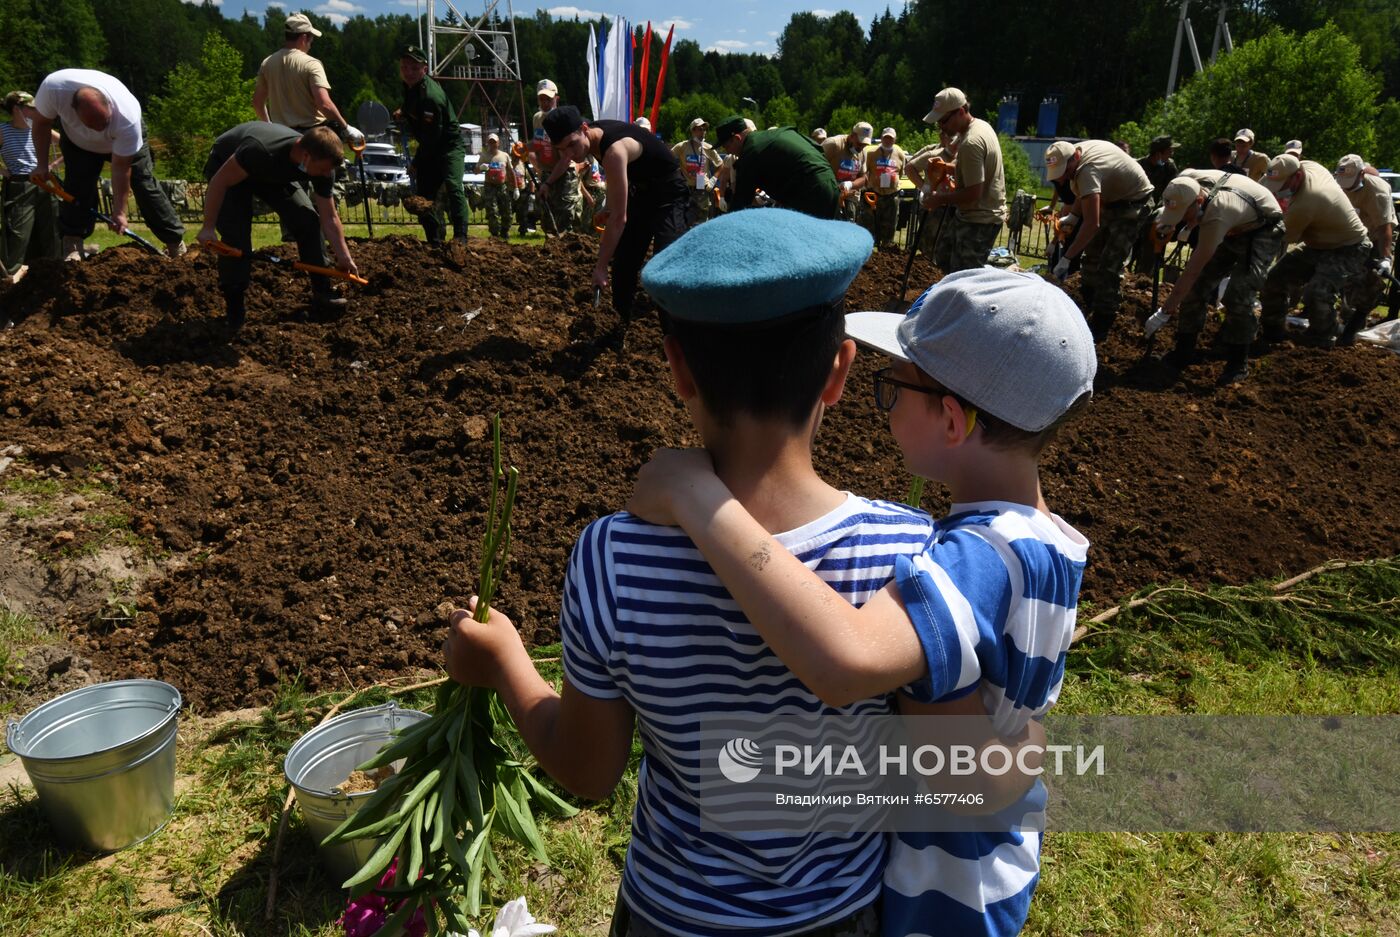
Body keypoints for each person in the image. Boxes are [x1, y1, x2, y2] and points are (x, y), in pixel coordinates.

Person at [443, 208, 938, 936]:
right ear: (838, 370)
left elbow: (588, 769)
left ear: (678, 369)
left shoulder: (612, 555)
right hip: (839, 913)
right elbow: (930, 771)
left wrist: (506, 661)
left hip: (670, 913)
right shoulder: (909, 549)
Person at [625, 267, 1095, 937]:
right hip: (999, 862)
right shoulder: (1048, 541)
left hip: (941, 895)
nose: (881, 405)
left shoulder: (975, 562)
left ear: (953, 420)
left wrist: (701, 501)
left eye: (892, 387)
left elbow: (843, 660)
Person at [196, 122, 358, 331]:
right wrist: (208, 226)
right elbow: (219, 182)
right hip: (229, 168)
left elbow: (329, 216)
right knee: (236, 237)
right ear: (306, 156)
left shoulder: (324, 167)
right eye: (323, 169)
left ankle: (322, 290)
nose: (327, 175)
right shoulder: (260, 151)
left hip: (271, 175)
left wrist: (343, 256)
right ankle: (234, 307)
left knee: (307, 220)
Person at [539, 106, 690, 326]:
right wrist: (607, 206)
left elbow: (619, 219)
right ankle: (619, 327)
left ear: (584, 128)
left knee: (665, 267)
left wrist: (600, 267)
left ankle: (677, 337)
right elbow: (617, 183)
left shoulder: (613, 151)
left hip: (670, 196)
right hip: (641, 194)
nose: (569, 154)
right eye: (561, 149)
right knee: (623, 265)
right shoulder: (589, 139)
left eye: (571, 144)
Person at [29, 68, 185, 260]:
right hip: (77, 143)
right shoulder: (53, 89)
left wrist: (119, 212)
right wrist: (42, 165)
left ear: (109, 105)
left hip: (121, 143)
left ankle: (175, 243)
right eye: (92, 125)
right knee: (77, 185)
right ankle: (72, 244)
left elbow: (121, 167)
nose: (99, 131)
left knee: (143, 184)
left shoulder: (127, 119)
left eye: (104, 122)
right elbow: (41, 124)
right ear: (73, 111)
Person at [1147, 169, 1284, 384]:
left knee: (1238, 296)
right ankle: (1183, 352)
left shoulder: (1217, 214)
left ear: (1199, 200)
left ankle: (1238, 363)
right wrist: (1164, 224)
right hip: (1235, 220)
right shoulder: (1185, 182)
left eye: (1185, 214)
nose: (1181, 219)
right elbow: (1169, 209)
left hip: (1262, 227)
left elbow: (1193, 270)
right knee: (1195, 290)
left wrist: (1165, 311)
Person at [1257, 153, 1371, 348]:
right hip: (1318, 243)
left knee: (1319, 291)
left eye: (1283, 186)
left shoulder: (1308, 200)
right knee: (1275, 278)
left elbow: (1285, 236)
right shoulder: (1308, 165)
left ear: (1297, 176)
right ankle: (1272, 329)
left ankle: (1324, 336)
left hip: (1349, 246)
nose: (1279, 191)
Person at [1044, 139, 1153, 341]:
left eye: (1064, 173)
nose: (1062, 180)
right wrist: (1074, 215)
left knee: (1109, 264)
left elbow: (1092, 224)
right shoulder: (1074, 157)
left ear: (1075, 157)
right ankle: (1087, 304)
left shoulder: (1087, 169)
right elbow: (1083, 190)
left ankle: (1103, 321)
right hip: (1109, 200)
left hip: (1133, 203)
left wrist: (1066, 258)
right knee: (1091, 257)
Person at [921, 87, 1007, 273]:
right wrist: (947, 167)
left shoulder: (971, 143)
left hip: (979, 220)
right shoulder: (981, 126)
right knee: (943, 259)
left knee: (963, 276)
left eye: (943, 120)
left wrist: (939, 199)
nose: (941, 127)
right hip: (972, 216)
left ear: (960, 112)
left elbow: (973, 193)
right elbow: (975, 170)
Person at [396, 46, 468, 245]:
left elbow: (432, 138)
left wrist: (416, 163)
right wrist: (403, 112)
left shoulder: (431, 97)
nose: (408, 72)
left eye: (414, 68)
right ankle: (434, 240)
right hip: (429, 145)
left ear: (424, 69)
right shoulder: (411, 86)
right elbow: (412, 104)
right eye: (405, 67)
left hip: (447, 146)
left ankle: (461, 237)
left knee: (453, 186)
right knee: (424, 195)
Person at [253, 13, 357, 140]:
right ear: (303, 38)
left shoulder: (267, 63)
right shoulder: (311, 64)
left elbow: (258, 103)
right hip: (311, 137)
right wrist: (346, 128)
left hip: (280, 137)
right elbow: (324, 104)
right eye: (310, 41)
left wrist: (270, 126)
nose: (310, 45)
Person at [714, 115, 839, 219]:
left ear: (736, 138)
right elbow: (818, 149)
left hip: (811, 193)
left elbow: (741, 202)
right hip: (830, 185)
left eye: (726, 147)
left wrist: (724, 226)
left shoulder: (751, 151)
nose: (728, 152)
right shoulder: (776, 134)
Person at [1333, 154, 1395, 342]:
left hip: (1376, 238)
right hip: (1353, 236)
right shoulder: (1338, 186)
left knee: (1369, 285)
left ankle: (1352, 331)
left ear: (1361, 174)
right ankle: (1345, 318)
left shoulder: (1377, 191)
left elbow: (1384, 228)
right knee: (1347, 282)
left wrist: (1385, 258)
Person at [1, 90, 60, 284]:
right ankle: (11, 277)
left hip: (45, 182)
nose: (35, 113)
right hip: (20, 184)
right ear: (17, 109)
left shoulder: (39, 126)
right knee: (18, 232)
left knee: (52, 227)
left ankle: (54, 270)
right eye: (31, 109)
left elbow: (66, 144)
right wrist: (3, 171)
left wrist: (53, 164)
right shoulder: (3, 130)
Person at [530, 79, 577, 233]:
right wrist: (524, 148)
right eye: (541, 99)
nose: (545, 103)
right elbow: (538, 143)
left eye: (548, 99)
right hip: (546, 172)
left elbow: (566, 158)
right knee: (547, 219)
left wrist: (548, 183)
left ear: (556, 98)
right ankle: (551, 252)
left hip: (564, 174)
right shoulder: (537, 118)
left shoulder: (562, 119)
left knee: (564, 217)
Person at [671, 118, 721, 224]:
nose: (703, 132)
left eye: (704, 129)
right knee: (685, 219)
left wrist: (713, 180)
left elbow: (721, 165)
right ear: (693, 131)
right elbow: (668, 158)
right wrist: (677, 175)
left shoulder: (709, 148)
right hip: (686, 189)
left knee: (702, 221)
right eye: (700, 129)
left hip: (702, 189)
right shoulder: (682, 146)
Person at [863, 127, 906, 248]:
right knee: (871, 224)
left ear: (895, 139)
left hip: (892, 195)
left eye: (890, 138)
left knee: (890, 225)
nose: (887, 140)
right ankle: (870, 248)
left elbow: (901, 172)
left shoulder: (900, 152)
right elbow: (864, 171)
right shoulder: (871, 152)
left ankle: (886, 248)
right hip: (874, 194)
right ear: (881, 138)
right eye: (885, 137)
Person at [822, 121, 872, 220]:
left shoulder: (863, 153)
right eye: (859, 143)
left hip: (850, 201)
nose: (861, 148)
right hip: (828, 197)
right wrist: (835, 186)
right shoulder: (834, 144)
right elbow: (815, 167)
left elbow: (863, 178)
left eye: (864, 145)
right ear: (852, 135)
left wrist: (850, 184)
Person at [479, 133, 515, 241]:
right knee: (492, 212)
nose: (492, 144)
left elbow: (511, 171)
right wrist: (481, 168)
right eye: (490, 142)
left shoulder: (504, 155)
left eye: (494, 142)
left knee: (507, 211)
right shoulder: (484, 155)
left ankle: (505, 232)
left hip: (502, 186)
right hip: (489, 186)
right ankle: (494, 234)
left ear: (498, 143)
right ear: (487, 143)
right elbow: (475, 170)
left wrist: (516, 188)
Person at [1138, 135, 1178, 202]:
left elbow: (1172, 189)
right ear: (1158, 154)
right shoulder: (1139, 166)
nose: (1171, 154)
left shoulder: (1169, 166)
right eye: (1169, 152)